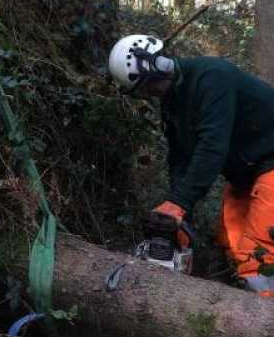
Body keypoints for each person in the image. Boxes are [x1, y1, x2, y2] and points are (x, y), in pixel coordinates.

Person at [108, 34, 274, 295]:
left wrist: (180, 203)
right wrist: (178, 212)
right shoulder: (172, 103)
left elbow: (212, 147)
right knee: (231, 245)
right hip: (246, 175)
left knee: (257, 259)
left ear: (160, 65)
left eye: (149, 86)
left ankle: (263, 327)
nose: (150, 94)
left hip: (270, 164)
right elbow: (180, 160)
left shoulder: (212, 78)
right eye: (143, 91)